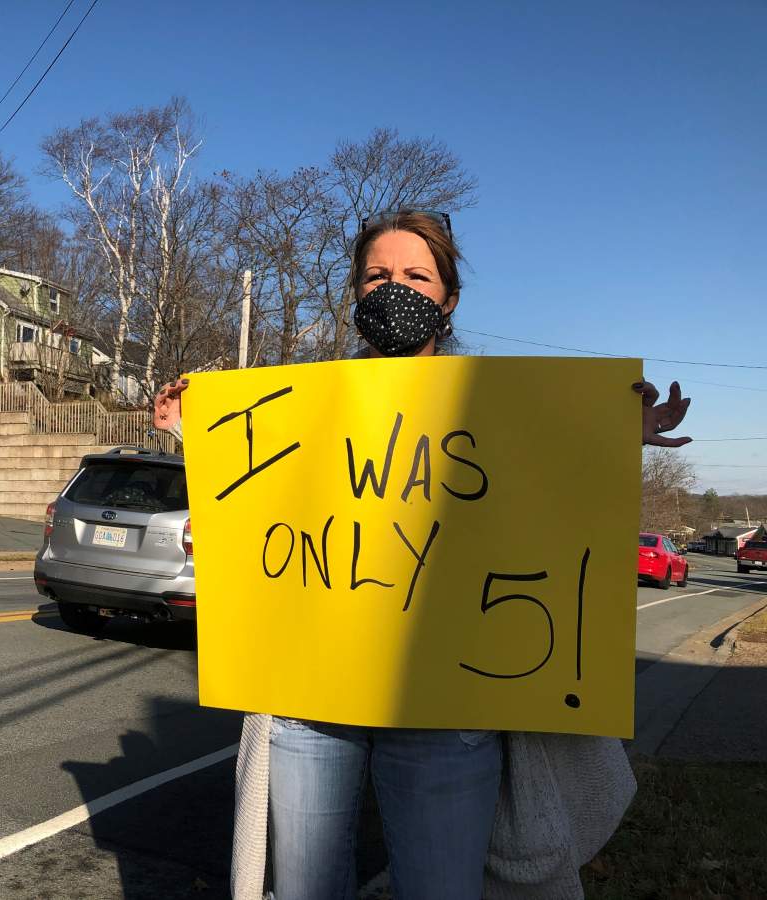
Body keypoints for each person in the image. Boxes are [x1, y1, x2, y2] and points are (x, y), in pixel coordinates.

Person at [152, 210, 691, 900]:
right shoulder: (304, 406)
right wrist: (194, 434)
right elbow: (267, 502)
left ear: (449, 299)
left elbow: (548, 492)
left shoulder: (498, 407)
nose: (394, 288)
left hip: (446, 707)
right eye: (377, 275)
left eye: (415, 275)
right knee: (304, 888)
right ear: (355, 293)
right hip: (311, 702)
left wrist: (615, 429)